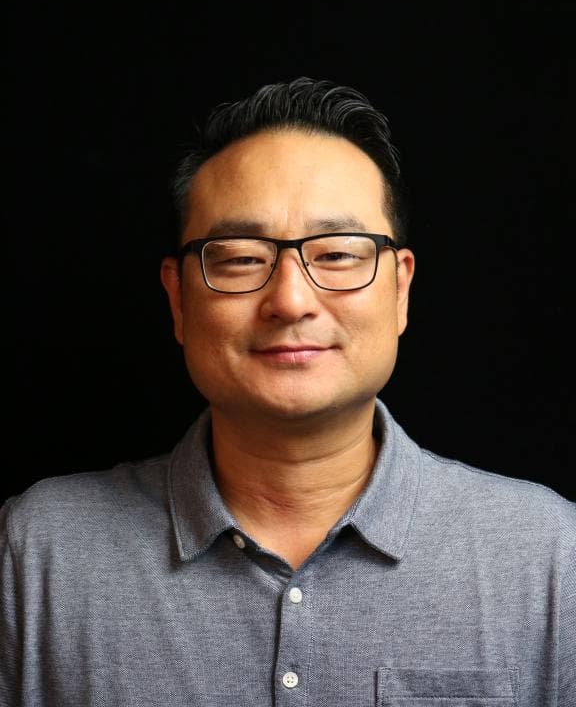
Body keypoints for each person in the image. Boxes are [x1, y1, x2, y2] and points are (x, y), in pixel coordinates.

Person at [1, 77, 574, 706]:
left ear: (401, 289)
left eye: (337, 253)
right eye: (242, 258)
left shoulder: (548, 555)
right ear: (178, 300)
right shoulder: (40, 551)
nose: (291, 300)